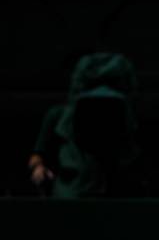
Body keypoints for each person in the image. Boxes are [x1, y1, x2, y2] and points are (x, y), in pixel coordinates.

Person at [28, 53, 145, 198]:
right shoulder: (58, 116)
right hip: (71, 195)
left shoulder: (131, 122)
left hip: (116, 197)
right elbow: (38, 155)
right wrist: (38, 168)